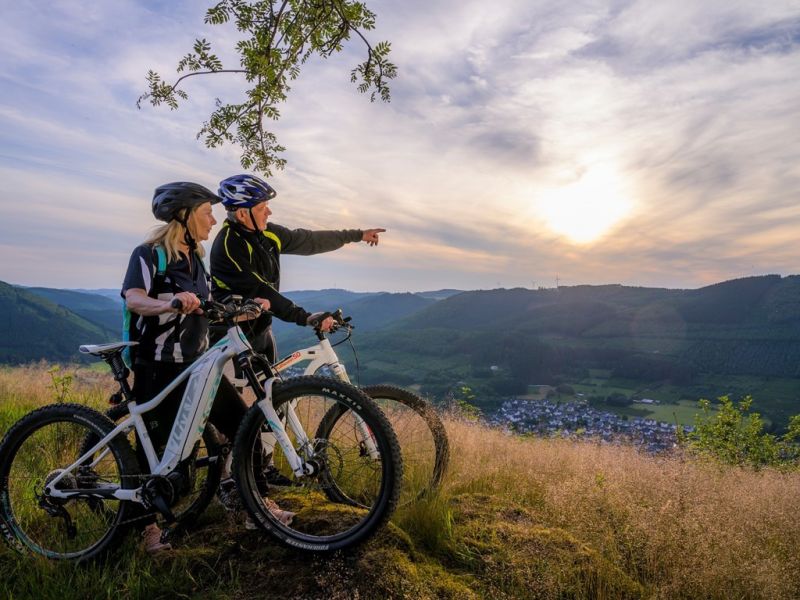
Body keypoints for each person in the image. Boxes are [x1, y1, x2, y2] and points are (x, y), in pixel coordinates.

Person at [121, 181, 289, 554]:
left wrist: (245, 309)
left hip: (197, 367)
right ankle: (145, 527)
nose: (214, 220)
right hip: (158, 365)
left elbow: (209, 307)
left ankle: (257, 507)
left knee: (243, 425)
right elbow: (134, 298)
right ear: (183, 216)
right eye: (206, 213)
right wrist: (169, 304)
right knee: (156, 453)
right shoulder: (149, 255)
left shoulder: (195, 259)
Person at [210, 173, 386, 360]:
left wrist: (357, 235)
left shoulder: (268, 233)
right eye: (262, 208)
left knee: (272, 388)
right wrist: (306, 317)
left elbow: (310, 241)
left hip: (262, 329)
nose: (269, 213)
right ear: (242, 214)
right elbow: (262, 291)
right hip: (231, 338)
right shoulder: (228, 247)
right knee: (239, 390)